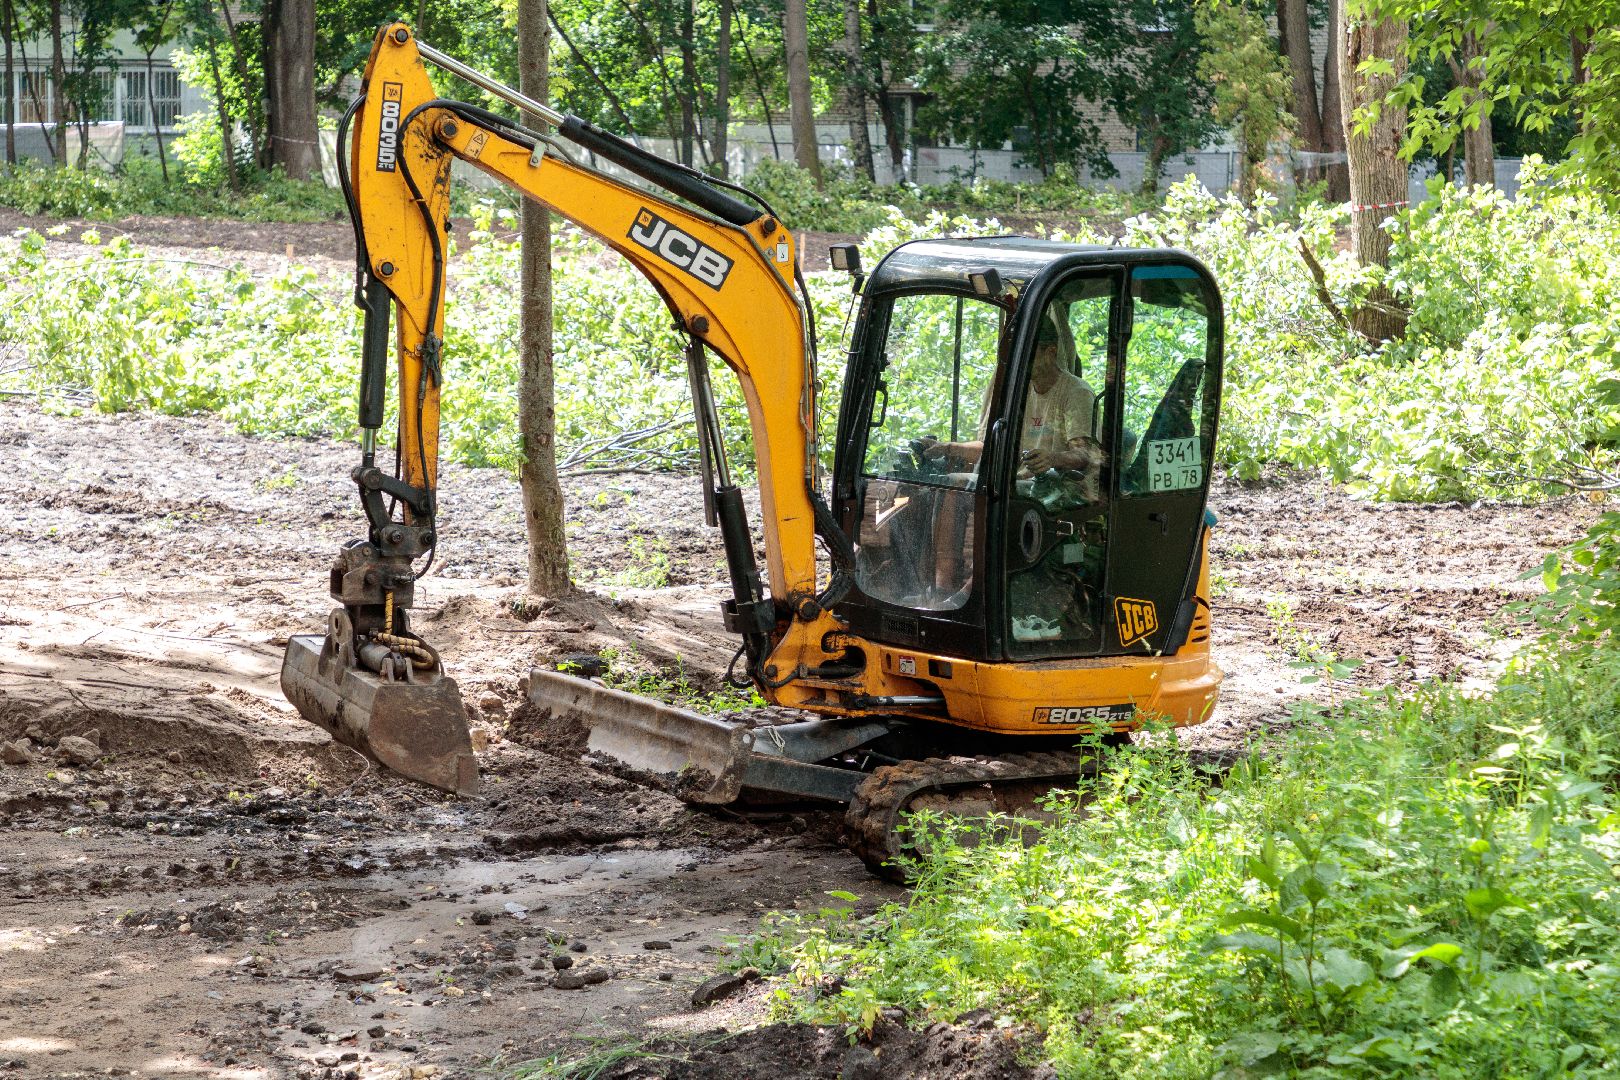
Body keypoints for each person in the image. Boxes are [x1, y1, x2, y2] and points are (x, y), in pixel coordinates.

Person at [924, 314, 1097, 475]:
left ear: (1050, 352)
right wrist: (946, 447)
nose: (1020, 364)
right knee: (949, 483)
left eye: (1027, 355)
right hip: (1022, 487)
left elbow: (1083, 455)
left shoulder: (1076, 392)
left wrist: (1052, 459)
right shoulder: (1021, 392)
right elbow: (994, 451)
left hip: (1059, 492)